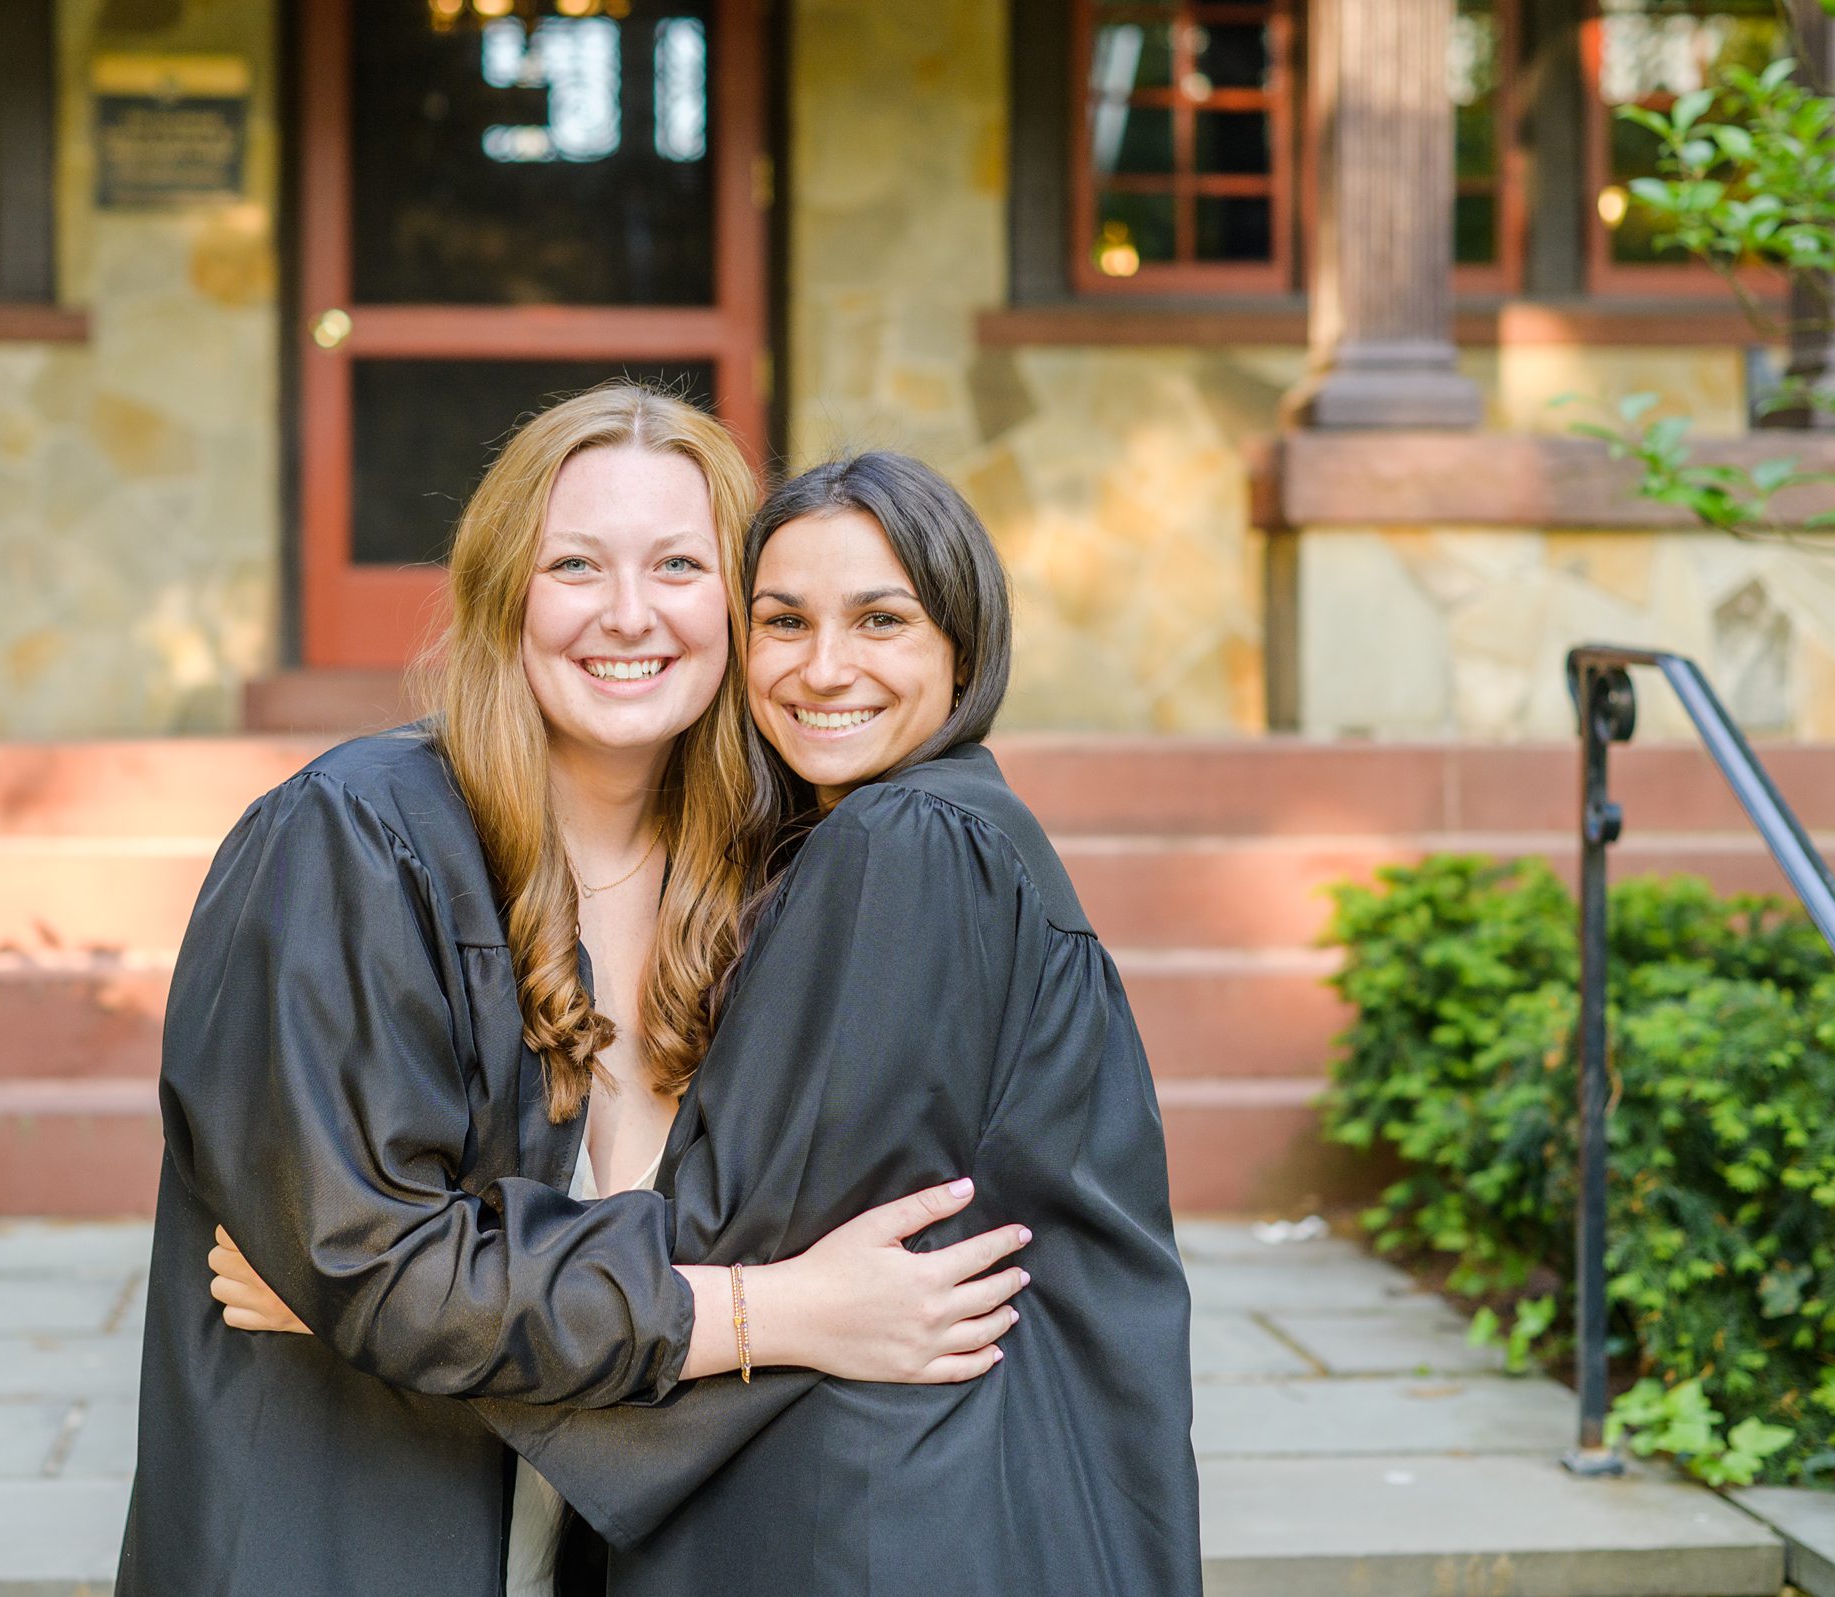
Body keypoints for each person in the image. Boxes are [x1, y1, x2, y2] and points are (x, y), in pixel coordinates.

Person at [213, 450, 1202, 1595]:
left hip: (890, 1512)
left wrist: (385, 1295)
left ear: (965, 646)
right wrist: (402, 1283)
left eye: (882, 619)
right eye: (784, 620)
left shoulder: (910, 845)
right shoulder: (898, 840)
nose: (827, 667)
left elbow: (733, 1234)